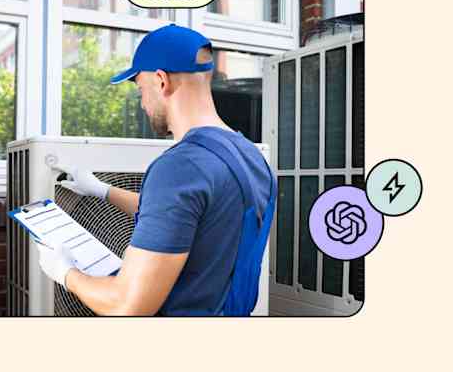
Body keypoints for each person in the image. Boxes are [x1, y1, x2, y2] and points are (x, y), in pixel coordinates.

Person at [38, 24, 276, 316]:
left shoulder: (180, 167)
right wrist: (102, 190)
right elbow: (190, 213)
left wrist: (66, 274)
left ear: (161, 81)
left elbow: (127, 305)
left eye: (141, 90)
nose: (142, 104)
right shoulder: (251, 157)